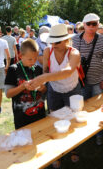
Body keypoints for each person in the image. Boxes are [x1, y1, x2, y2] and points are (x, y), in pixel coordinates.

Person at [28, 23, 81, 168]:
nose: (53, 44)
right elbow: (45, 71)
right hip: (54, 90)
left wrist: (44, 79)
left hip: (72, 89)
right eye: (51, 41)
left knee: (72, 120)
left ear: (66, 40)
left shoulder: (74, 52)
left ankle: (73, 149)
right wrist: (42, 82)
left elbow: (68, 71)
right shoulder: (47, 51)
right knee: (55, 121)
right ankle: (57, 152)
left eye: (57, 42)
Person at [72, 13, 103, 146]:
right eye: (88, 23)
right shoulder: (75, 39)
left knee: (98, 110)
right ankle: (83, 135)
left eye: (94, 24)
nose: (91, 26)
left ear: (98, 25)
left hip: (97, 82)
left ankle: (99, 135)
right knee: (81, 110)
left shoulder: (102, 40)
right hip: (79, 83)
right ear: (83, 25)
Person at [5, 39, 46, 129]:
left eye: (35, 58)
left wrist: (42, 88)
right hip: (22, 118)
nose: (33, 61)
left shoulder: (38, 69)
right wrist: (23, 86)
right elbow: (8, 94)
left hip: (40, 114)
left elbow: (45, 91)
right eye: (30, 59)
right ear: (20, 56)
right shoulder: (13, 70)